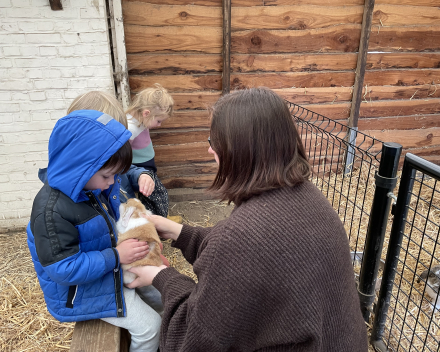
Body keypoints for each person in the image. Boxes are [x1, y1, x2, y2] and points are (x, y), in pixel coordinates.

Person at [127, 87, 369, 352]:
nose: (210, 150)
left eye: (214, 141)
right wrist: (177, 231)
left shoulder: (241, 238)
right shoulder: (309, 198)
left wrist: (162, 276)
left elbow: (193, 339)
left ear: (238, 149)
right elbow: (250, 255)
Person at [27, 107, 162, 352]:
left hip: (106, 271)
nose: (112, 183)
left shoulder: (90, 188)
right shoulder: (51, 212)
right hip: (83, 292)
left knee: (162, 296)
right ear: (81, 167)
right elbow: (63, 269)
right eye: (107, 176)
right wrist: (116, 256)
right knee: (151, 326)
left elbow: (107, 229)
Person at [125, 84, 174, 217]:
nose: (159, 125)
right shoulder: (130, 129)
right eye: (158, 121)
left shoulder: (141, 120)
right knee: (158, 193)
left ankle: (150, 219)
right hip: (139, 168)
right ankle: (161, 223)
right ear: (146, 113)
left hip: (146, 164)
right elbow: (124, 154)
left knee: (147, 196)